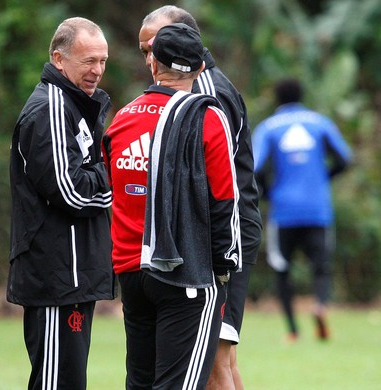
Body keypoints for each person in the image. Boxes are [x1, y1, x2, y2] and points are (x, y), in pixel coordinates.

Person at [102, 23, 241, 389]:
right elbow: (225, 199)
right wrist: (224, 267)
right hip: (186, 274)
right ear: (199, 69)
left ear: (153, 64)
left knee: (141, 382)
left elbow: (116, 192)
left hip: (131, 270)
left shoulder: (122, 118)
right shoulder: (207, 117)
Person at [137, 6, 263, 389]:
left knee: (212, 360)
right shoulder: (193, 88)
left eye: (153, 48)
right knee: (220, 358)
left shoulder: (203, 94)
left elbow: (217, 185)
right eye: (143, 50)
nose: (149, 60)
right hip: (208, 236)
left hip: (218, 238)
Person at [7, 17, 115, 390]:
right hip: (58, 277)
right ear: (59, 58)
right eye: (88, 61)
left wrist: (101, 171)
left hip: (74, 275)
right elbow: (72, 191)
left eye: (102, 61)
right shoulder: (51, 109)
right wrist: (113, 173)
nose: (97, 70)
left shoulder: (73, 105)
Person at [252, 78, 353, 343]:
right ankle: (320, 305)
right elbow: (345, 158)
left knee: (282, 269)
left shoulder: (269, 127)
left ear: (277, 98)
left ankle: (292, 330)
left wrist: (266, 192)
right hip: (317, 208)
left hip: (283, 211)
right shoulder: (320, 122)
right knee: (321, 266)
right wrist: (324, 178)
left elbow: (255, 166)